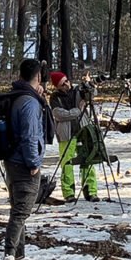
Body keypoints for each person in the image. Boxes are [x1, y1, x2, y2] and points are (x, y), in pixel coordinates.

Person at [0, 59, 53, 260]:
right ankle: (9, 256)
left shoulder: (16, 95)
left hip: (11, 159)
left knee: (17, 207)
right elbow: (30, 135)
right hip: (24, 163)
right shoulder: (29, 104)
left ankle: (19, 255)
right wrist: (34, 163)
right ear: (38, 77)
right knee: (21, 212)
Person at [49, 72, 99, 203]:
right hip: (66, 134)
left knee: (88, 160)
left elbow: (91, 97)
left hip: (83, 129)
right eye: (62, 84)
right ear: (57, 87)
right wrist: (78, 111)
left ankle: (91, 191)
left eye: (66, 81)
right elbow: (59, 114)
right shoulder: (54, 97)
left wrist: (90, 85)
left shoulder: (78, 90)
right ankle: (69, 193)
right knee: (67, 163)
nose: (66, 84)